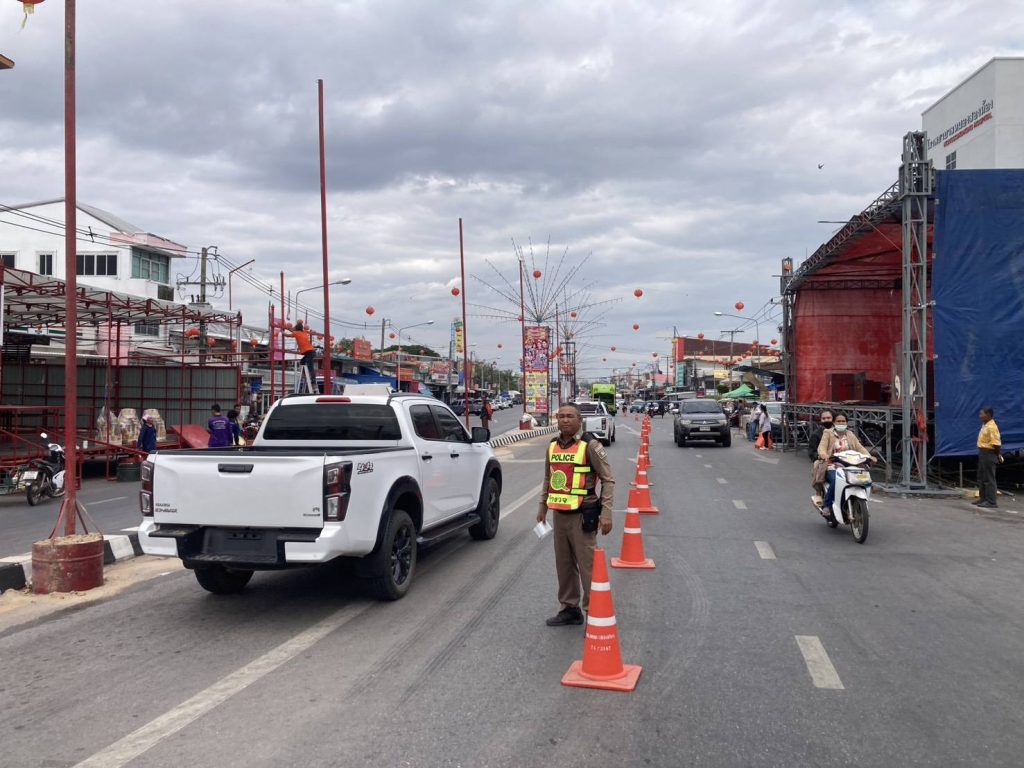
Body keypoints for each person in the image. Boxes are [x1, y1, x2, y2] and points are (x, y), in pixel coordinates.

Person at [537, 403, 614, 626]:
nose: (565, 420)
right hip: (559, 514)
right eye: (561, 416)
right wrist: (542, 507)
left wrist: (606, 513)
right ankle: (569, 608)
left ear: (580, 420)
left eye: (570, 416)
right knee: (564, 565)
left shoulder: (590, 445)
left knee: (587, 566)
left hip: (583, 515)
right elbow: (548, 478)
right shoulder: (552, 445)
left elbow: (608, 479)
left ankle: (594, 614)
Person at [816, 413, 877, 510]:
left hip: (851, 465)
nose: (841, 423)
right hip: (833, 465)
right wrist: (824, 454)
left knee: (864, 478)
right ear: (834, 422)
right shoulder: (828, 433)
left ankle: (868, 489)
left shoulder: (850, 434)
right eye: (838, 421)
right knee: (836, 480)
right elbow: (822, 447)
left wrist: (869, 457)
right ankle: (827, 505)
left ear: (847, 423)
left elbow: (860, 448)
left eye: (843, 421)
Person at [974, 407, 1002, 508]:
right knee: (981, 477)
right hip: (983, 452)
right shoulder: (985, 425)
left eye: (982, 414)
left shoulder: (992, 427)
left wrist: (997, 454)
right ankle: (983, 498)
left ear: (988, 415)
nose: (980, 416)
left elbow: (996, 444)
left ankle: (991, 501)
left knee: (989, 478)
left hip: (989, 453)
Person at [286, 321, 321, 392]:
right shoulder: (304, 332)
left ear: (296, 328)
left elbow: (287, 334)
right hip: (311, 352)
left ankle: (314, 384)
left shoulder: (296, 333)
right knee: (302, 362)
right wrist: (289, 329)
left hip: (309, 352)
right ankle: (305, 375)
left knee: (311, 368)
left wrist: (282, 331)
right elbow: (293, 330)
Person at [810, 409, 834, 504]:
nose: (826, 420)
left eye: (828, 418)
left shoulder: (840, 432)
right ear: (820, 420)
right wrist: (821, 456)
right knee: (817, 464)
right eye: (824, 418)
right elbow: (812, 452)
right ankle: (818, 492)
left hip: (840, 460)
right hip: (824, 460)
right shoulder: (816, 434)